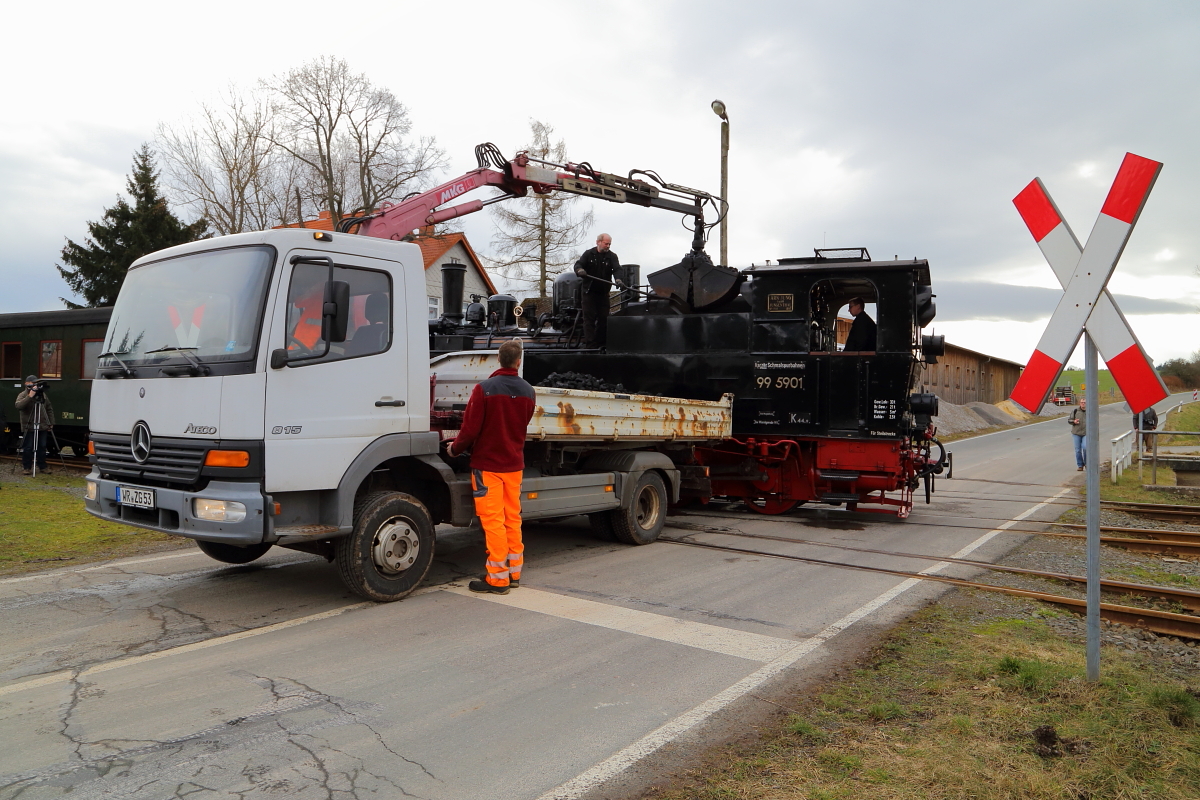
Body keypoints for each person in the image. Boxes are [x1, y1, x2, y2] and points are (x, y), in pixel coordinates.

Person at [447, 340, 536, 594]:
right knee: (512, 519)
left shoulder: (484, 389)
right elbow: (523, 423)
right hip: (514, 465)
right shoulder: (529, 391)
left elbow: (470, 429)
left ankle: (497, 579)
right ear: (518, 361)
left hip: (488, 466)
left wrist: (454, 449)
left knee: (493, 521)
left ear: (499, 359)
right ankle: (514, 573)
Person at [573, 233, 624, 348]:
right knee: (589, 319)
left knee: (604, 319)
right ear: (598, 242)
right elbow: (578, 264)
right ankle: (590, 345)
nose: (608, 246)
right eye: (606, 243)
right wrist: (580, 270)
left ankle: (601, 343)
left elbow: (617, 269)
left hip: (603, 293)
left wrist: (619, 279)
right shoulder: (588, 254)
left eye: (609, 244)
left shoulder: (612, 256)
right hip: (589, 293)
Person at [15, 376, 55, 476]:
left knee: (42, 446)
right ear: (27, 384)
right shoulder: (23, 395)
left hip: (42, 426)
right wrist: (30, 396)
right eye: (32, 383)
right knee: (28, 447)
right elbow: (19, 406)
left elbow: (49, 408)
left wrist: (50, 422)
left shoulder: (42, 395)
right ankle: (27, 468)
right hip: (29, 426)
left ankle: (43, 467)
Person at [1069, 398, 1087, 471]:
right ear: (1079, 403)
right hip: (1076, 433)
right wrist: (1074, 421)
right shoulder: (1075, 411)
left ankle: (1086, 463)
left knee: (1085, 448)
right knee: (1077, 450)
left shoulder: (1090, 411)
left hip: (1086, 433)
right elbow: (1069, 420)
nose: (1083, 404)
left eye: (1084, 402)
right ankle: (1080, 465)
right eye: (1082, 402)